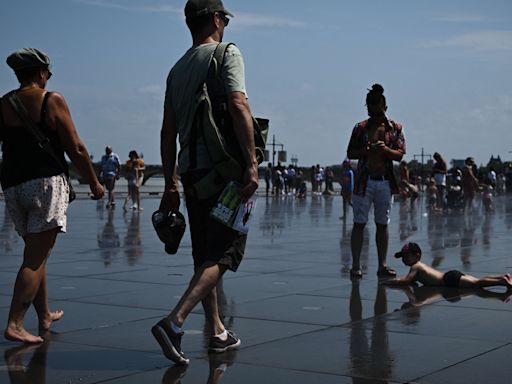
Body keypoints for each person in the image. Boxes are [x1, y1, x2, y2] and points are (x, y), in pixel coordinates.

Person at [154, 0, 257, 365]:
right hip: (224, 174)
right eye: (224, 18)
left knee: (203, 256)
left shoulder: (176, 69)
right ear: (216, 19)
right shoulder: (227, 53)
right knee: (225, 253)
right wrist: (251, 164)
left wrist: (171, 183)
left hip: (193, 175)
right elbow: (238, 105)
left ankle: (216, 331)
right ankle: (174, 321)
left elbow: (167, 133)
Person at [0, 48, 104, 344]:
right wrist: (93, 183)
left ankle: (43, 314)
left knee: (36, 250)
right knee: (34, 258)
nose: (48, 78)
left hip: (13, 185)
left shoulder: (3, 104)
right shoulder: (51, 100)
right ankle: (15, 324)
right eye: (48, 72)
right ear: (39, 72)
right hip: (45, 184)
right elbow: (77, 148)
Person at [347, 84, 406, 279]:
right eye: (370, 105)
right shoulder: (360, 128)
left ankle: (382, 264)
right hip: (365, 181)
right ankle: (356, 265)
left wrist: (384, 150)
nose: (373, 108)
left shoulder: (395, 128)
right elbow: (350, 153)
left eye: (376, 104)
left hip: (384, 182)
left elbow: (400, 155)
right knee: (359, 223)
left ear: (385, 106)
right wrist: (367, 150)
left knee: (382, 223)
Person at [382, 242, 512, 289]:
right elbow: (413, 281)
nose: (404, 259)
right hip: (450, 276)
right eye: (402, 257)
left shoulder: (416, 267)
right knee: (476, 280)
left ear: (417, 256)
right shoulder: (418, 267)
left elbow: (406, 280)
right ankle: (502, 277)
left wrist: (389, 282)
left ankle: (502, 282)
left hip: (449, 280)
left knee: (476, 284)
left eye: (406, 256)